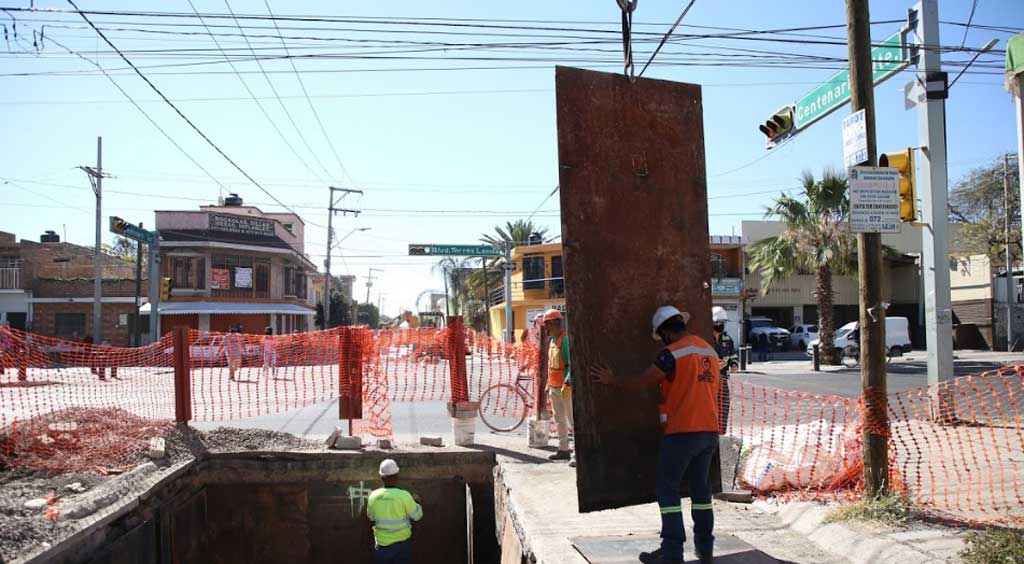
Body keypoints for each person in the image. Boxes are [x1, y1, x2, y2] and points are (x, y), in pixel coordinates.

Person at [591, 306, 720, 564]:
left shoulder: (671, 353)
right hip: (709, 431)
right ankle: (705, 548)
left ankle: (672, 551)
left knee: (667, 489)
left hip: (683, 431)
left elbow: (644, 381)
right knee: (701, 491)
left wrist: (611, 380)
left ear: (665, 333)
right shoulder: (708, 350)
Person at [367, 458, 424, 564]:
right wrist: (417, 503)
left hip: (381, 545)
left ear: (381, 477)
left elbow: (371, 517)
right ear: (396, 477)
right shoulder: (404, 496)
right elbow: (417, 516)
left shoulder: (373, 496)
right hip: (401, 545)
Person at [542, 308, 573, 462]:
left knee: (572, 419)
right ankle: (564, 449)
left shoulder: (565, 340)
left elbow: (571, 364)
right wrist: (549, 384)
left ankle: (576, 454)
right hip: (554, 387)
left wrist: (568, 381)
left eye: (547, 325)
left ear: (555, 324)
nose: (546, 328)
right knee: (559, 419)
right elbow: (552, 365)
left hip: (565, 387)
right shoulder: (553, 341)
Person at [712, 307, 738, 434]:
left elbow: (733, 355)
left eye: (723, 323)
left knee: (723, 406)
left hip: (722, 380)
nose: (721, 325)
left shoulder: (727, 339)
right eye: (718, 322)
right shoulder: (705, 339)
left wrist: (734, 364)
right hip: (708, 380)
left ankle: (721, 433)